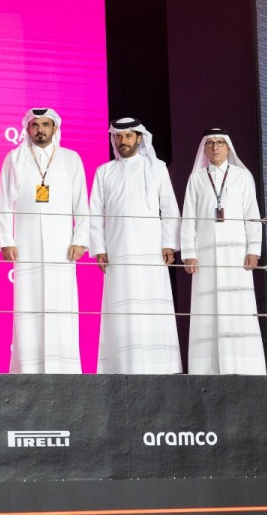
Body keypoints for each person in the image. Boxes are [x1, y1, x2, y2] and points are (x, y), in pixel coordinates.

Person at [0, 107, 89, 373]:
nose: (41, 130)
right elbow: (4, 202)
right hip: (26, 245)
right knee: (28, 303)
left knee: (62, 304)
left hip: (63, 246)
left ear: (55, 128)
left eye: (46, 125)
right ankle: (28, 367)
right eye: (35, 125)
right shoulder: (15, 158)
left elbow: (81, 203)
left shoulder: (71, 159)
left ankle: (64, 367)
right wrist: (6, 239)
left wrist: (80, 238)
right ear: (28, 129)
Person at [89, 118, 181, 374]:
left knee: (150, 303)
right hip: (117, 251)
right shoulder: (104, 171)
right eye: (118, 137)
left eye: (128, 136)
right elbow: (95, 213)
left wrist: (169, 244)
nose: (123, 142)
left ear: (139, 138)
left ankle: (159, 365)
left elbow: (170, 208)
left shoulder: (157, 168)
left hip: (151, 250)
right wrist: (99, 247)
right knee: (121, 305)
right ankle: (120, 365)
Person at [179, 128, 266, 375]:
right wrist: (188, 252)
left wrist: (254, 250)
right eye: (210, 144)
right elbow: (189, 217)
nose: (215, 147)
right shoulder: (197, 178)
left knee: (238, 304)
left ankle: (244, 365)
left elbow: (252, 215)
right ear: (205, 150)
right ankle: (207, 368)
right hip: (205, 256)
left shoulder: (242, 176)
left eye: (219, 143)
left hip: (236, 254)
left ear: (228, 147)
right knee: (207, 308)